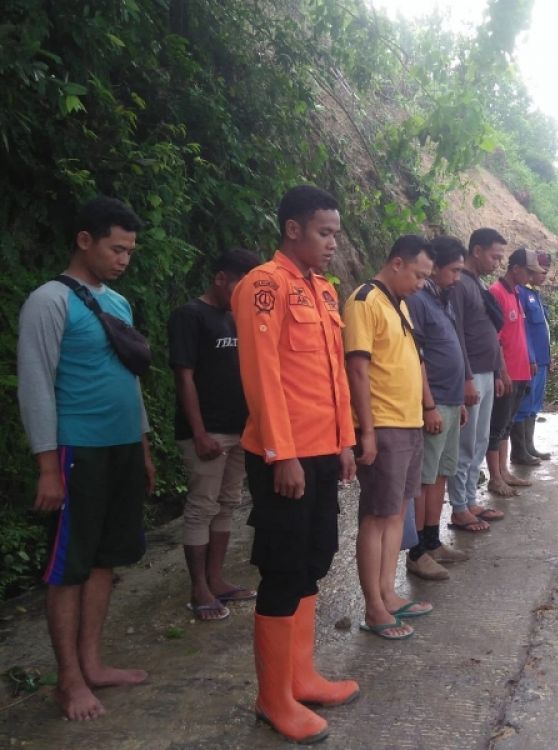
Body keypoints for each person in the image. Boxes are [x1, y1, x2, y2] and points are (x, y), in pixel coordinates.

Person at [17, 196, 153, 721]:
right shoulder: (49, 301)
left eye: (130, 251)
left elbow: (130, 383)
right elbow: (35, 386)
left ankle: (93, 663)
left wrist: (142, 448)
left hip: (121, 449)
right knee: (69, 568)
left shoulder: (117, 304)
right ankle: (68, 680)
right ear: (84, 240)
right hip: (78, 451)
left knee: (104, 560)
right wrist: (48, 466)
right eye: (116, 248)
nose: (124, 259)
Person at [232, 185, 359, 744]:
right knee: (282, 570)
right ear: (292, 230)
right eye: (324, 232)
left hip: (324, 452)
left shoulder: (326, 292)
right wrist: (282, 454)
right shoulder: (263, 286)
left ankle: (301, 676)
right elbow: (263, 378)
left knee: (315, 558)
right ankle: (272, 698)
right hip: (285, 458)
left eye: (335, 233)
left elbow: (332, 376)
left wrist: (347, 442)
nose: (333, 243)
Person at [344, 235, 435, 638]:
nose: (421, 284)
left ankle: (388, 592)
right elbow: (358, 370)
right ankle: (373, 607)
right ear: (397, 263)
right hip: (382, 424)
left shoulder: (398, 304)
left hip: (408, 422)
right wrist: (365, 431)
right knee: (377, 515)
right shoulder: (365, 301)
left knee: (398, 511)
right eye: (418, 275)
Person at [168, 248, 261, 621]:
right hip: (207, 433)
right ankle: (199, 589)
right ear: (221, 278)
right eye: (240, 284)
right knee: (201, 507)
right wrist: (199, 432)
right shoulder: (190, 316)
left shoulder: (237, 318)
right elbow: (184, 376)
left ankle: (217, 579)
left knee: (228, 504)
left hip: (240, 430)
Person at [404, 235, 472, 580]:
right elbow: (417, 356)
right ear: (435, 270)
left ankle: (432, 542)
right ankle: (416, 552)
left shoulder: (440, 299)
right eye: (454, 270)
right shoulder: (418, 300)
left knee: (441, 473)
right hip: (433, 403)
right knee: (425, 478)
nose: (457, 277)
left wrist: (457, 399)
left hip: (449, 400)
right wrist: (428, 405)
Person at [446, 228, 510, 532]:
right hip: (471, 375)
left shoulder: (477, 284)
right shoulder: (459, 285)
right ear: (477, 251)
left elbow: (488, 331)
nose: (497, 262)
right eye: (494, 256)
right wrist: (467, 378)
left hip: (486, 373)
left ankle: (470, 500)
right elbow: (456, 333)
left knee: (480, 440)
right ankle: (459, 507)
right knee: (465, 443)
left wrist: (497, 370)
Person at [486, 247, 539, 495]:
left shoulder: (516, 293)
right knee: (496, 426)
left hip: (520, 372)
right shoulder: (496, 293)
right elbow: (495, 338)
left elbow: (519, 334)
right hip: (507, 373)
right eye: (528, 271)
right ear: (515, 268)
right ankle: (495, 477)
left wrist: (528, 361)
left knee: (506, 425)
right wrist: (502, 372)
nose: (530, 276)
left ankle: (504, 472)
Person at [511, 250, 553, 465]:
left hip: (542, 361)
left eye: (546, 271)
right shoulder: (521, 293)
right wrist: (530, 358)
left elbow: (542, 330)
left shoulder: (535, 294)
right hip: (531, 362)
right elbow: (524, 332)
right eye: (540, 270)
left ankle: (529, 447)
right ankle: (519, 451)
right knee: (523, 405)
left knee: (534, 405)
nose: (544, 274)